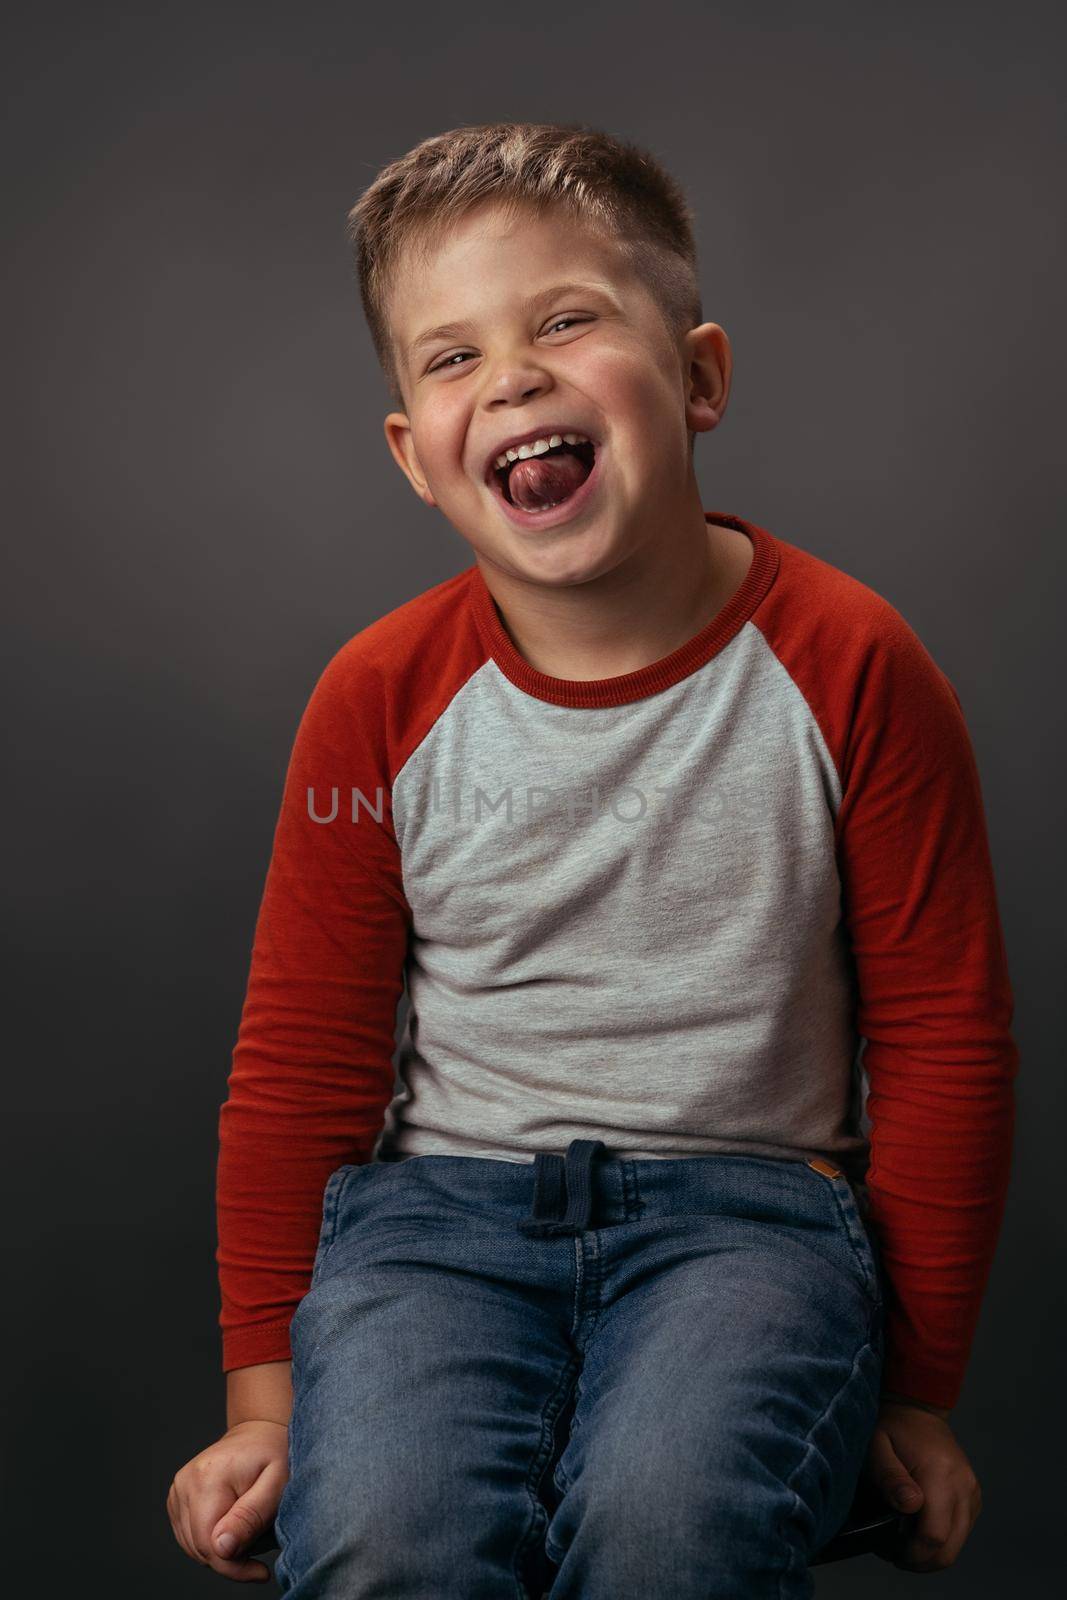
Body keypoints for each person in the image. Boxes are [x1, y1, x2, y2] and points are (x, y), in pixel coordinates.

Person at [167, 121, 1017, 1595]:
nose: (511, 376)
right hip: (436, 1235)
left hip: (751, 1223)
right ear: (414, 460)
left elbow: (945, 1042)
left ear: (698, 378)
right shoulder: (379, 699)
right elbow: (305, 1057)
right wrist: (264, 1401)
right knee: (387, 1539)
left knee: (672, 1526)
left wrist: (917, 1391)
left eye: (566, 321)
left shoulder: (853, 667)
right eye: (450, 359)